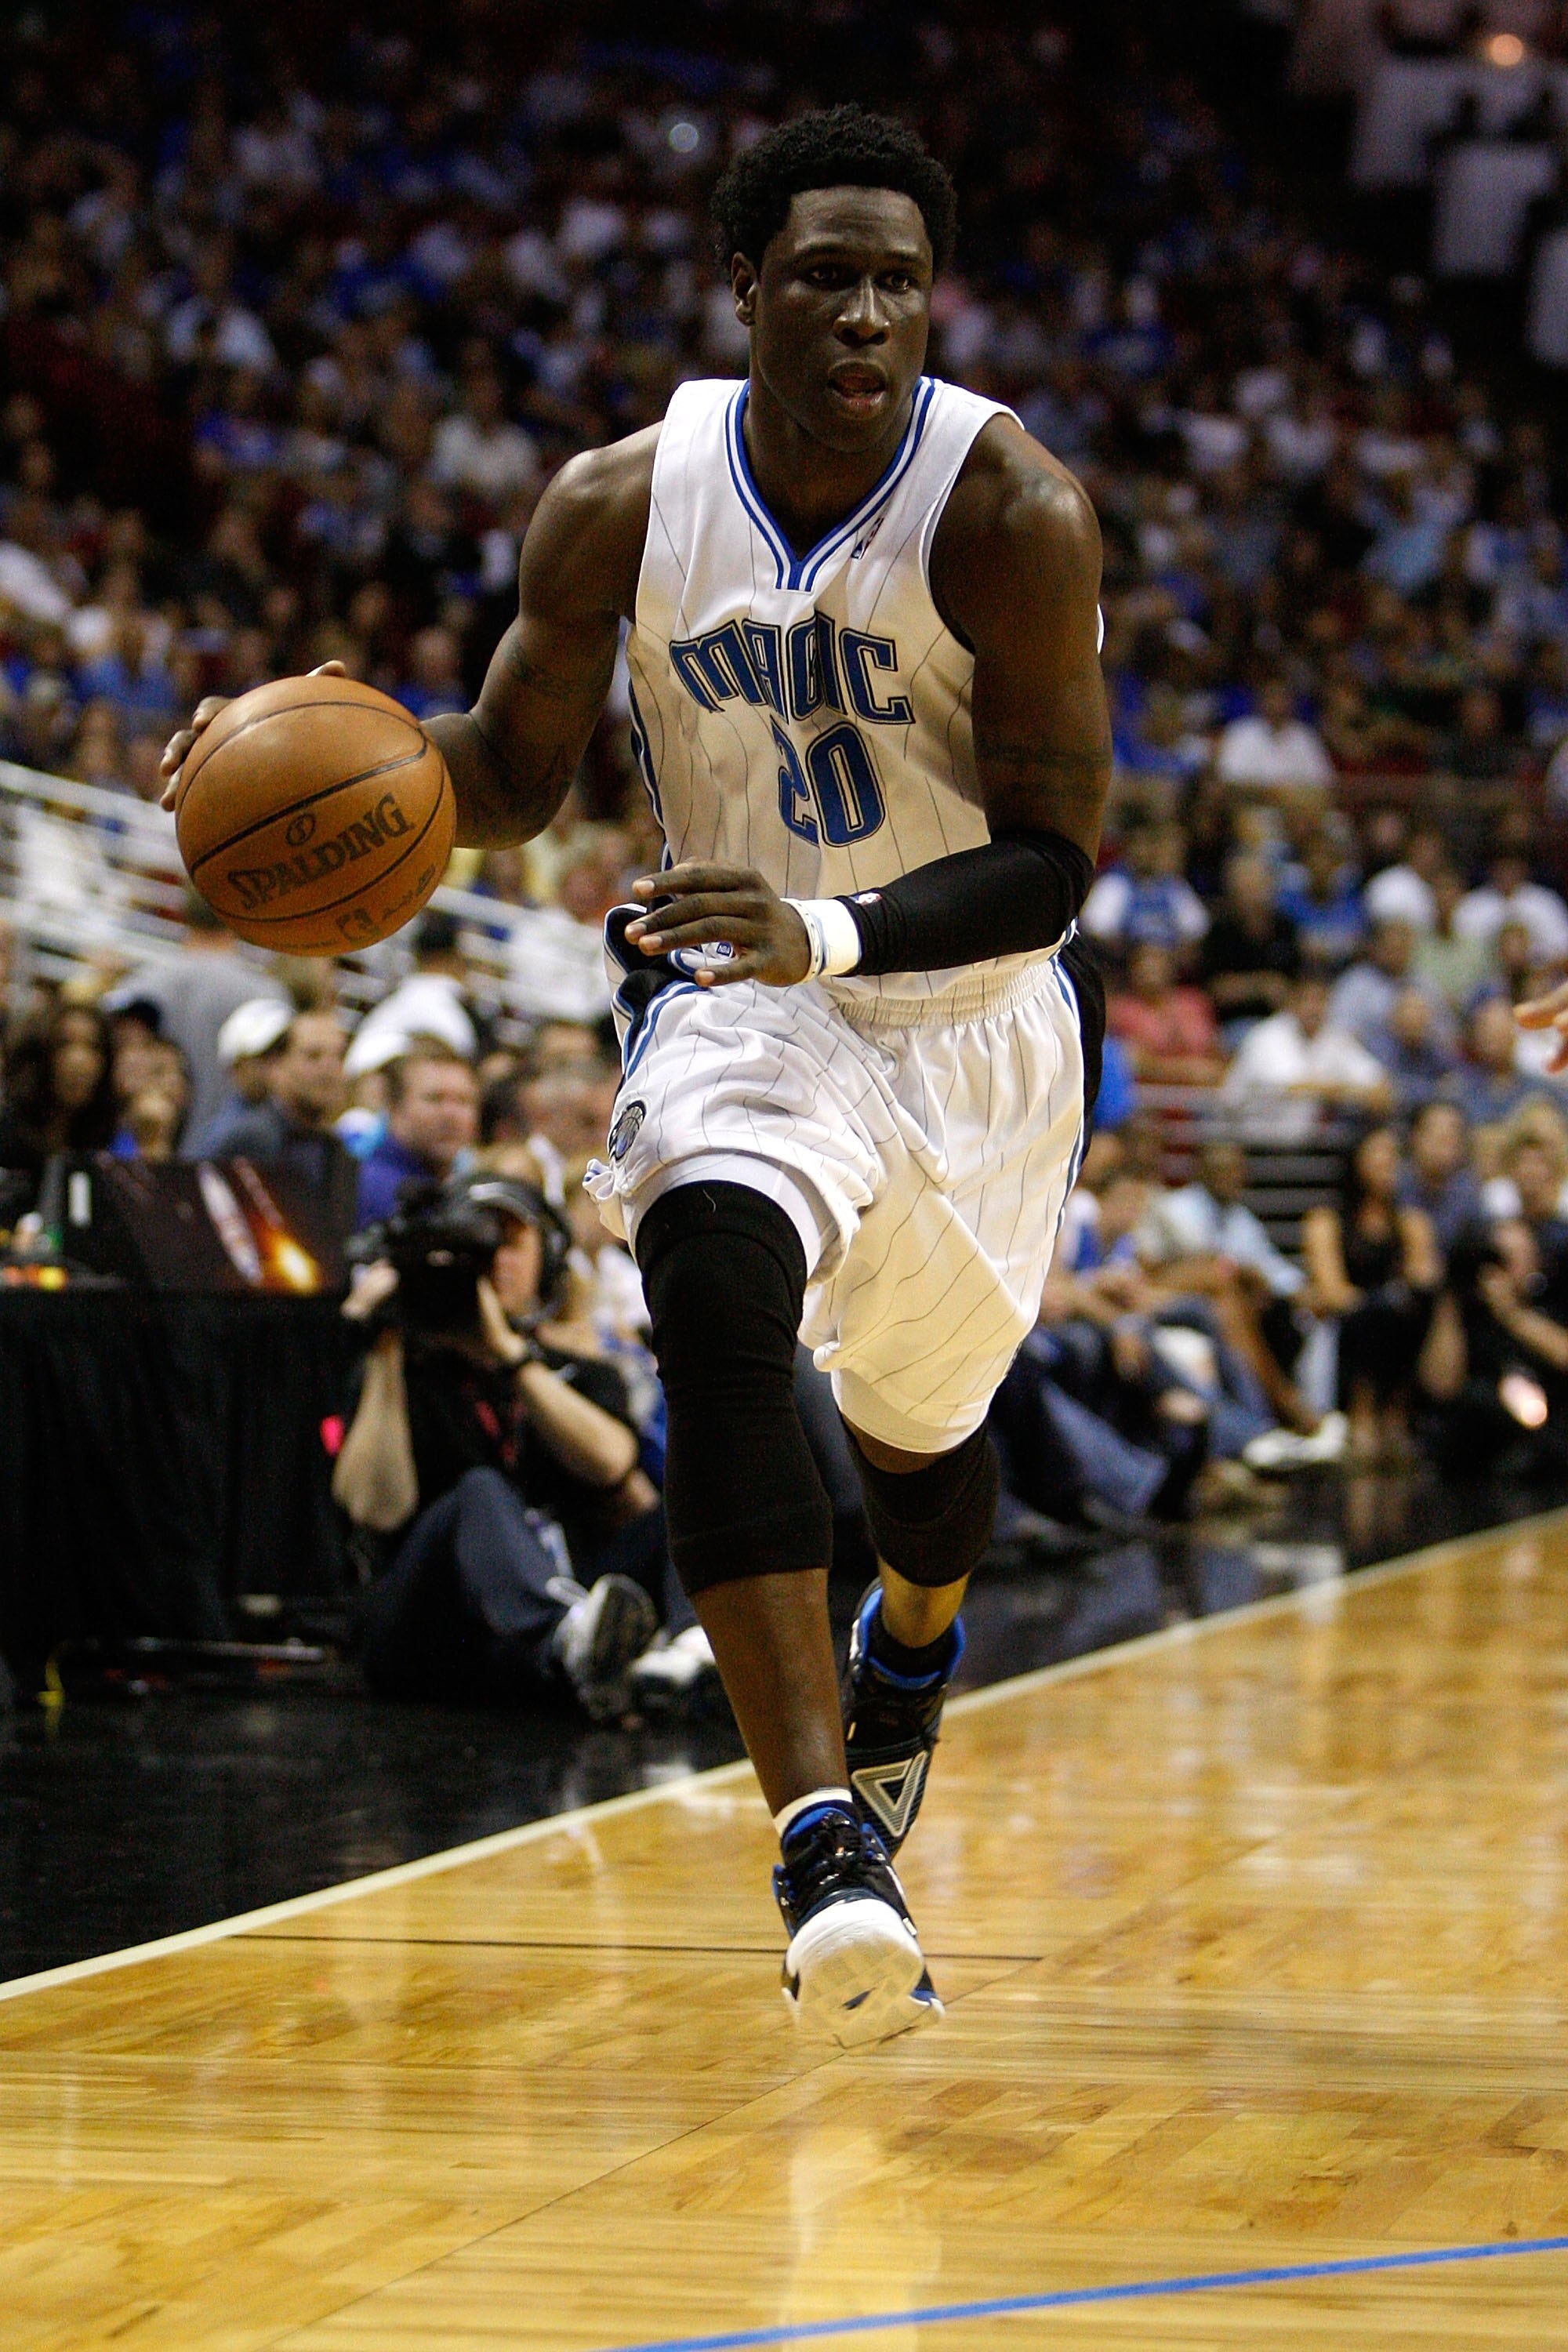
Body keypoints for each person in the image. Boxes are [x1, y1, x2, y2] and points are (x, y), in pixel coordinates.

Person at [165, 107, 1111, 2047]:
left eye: (898, 281)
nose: (865, 312)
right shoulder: (619, 497)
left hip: (968, 1009)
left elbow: (1056, 857)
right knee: (707, 1285)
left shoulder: (1009, 508)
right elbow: (500, 781)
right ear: (740, 283)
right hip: (738, 1000)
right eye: (825, 274)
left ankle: (909, 1644)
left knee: (926, 1457)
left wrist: (832, 927)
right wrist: (285, 760)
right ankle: (820, 1835)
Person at [336, 1174, 675, 1714]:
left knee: (682, 1505)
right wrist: (386, 1345)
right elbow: (375, 1509)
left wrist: (508, 1353)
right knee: (480, 1491)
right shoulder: (405, 1369)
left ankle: (686, 1658)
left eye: (509, 1244)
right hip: (430, 1629)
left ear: (550, 1258)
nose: (494, 1264)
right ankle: (569, 1637)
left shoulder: (578, 1373)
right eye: (474, 1250)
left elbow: (610, 1464)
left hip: (552, 1615)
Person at [1301, 1124, 1442, 1462]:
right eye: (1379, 1154)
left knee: (1414, 1307)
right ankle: (1362, 1412)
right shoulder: (1327, 1219)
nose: (1387, 1163)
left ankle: (1396, 1410)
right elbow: (1332, 1291)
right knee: (1376, 1314)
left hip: (1399, 1327)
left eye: (1393, 1156)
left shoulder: (1409, 1221)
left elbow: (1424, 1276)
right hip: (1347, 1329)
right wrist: (1379, 1302)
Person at [104, 893, 288, 1142]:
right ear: (244, 914)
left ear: (182, 909)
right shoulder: (269, 996)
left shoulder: (139, 987)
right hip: (231, 1162)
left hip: (152, 1152)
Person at [216, 1007, 358, 1229]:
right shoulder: (250, 1138)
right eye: (313, 1056)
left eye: (340, 1056)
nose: (329, 1069)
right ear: (276, 1066)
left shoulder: (338, 1150)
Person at [1221, 971, 1392, 1137]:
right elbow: (1295, 1088)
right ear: (1291, 1002)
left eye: (1320, 1000)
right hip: (1249, 1139)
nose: (1314, 1008)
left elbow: (1380, 1086)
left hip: (1304, 1145)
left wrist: (1359, 1091)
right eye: (1307, 1000)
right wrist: (1350, 1091)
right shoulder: (1267, 1036)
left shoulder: (1334, 1036)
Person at [343, 908, 494, 1082]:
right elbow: (490, 1063)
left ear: (416, 959)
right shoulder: (467, 1011)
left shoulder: (388, 1001)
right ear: (456, 961)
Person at [0, 997, 118, 1207]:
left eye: (93, 1047)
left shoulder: (100, 1146)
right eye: (65, 1044)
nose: (79, 1060)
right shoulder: (7, 1131)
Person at [356, 1040, 481, 1227]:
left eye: (463, 1101)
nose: (451, 1115)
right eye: (435, 1099)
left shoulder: (465, 1191)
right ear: (394, 1107)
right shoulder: (366, 1189)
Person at [183, 996, 293, 1157]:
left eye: (284, 1051)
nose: (277, 1064)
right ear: (236, 1069)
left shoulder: (272, 1120)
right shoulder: (251, 1132)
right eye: (265, 1056)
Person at [1107, 941, 1225, 1085]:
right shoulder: (1122, 1010)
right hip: (1146, 1100)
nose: (1150, 968)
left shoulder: (1194, 1003)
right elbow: (1131, 1062)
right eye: (1144, 961)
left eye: (1157, 960)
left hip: (1201, 1098)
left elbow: (1216, 1058)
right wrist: (1185, 1071)